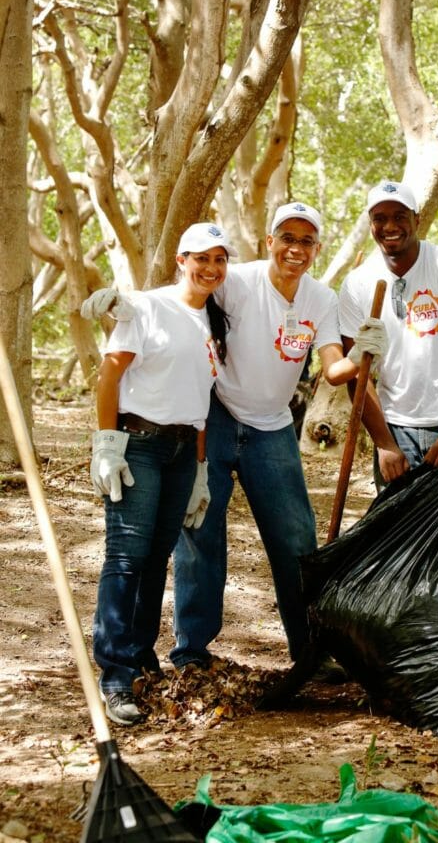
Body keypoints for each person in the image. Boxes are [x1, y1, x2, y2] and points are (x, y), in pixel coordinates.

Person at [85, 203, 387, 670]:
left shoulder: (320, 299)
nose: (296, 248)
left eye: (307, 241)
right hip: (217, 415)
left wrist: (362, 353)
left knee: (296, 539)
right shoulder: (236, 280)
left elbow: (333, 369)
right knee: (200, 532)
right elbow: (184, 296)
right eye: (287, 236)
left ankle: (308, 650)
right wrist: (130, 303)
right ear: (270, 241)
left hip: (274, 427)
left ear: (316, 250)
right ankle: (191, 651)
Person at [89, 222, 234, 726]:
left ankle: (140, 653)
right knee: (127, 556)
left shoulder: (211, 323)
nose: (210, 269)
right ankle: (114, 671)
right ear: (180, 260)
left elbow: (199, 404)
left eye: (219, 259)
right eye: (201, 258)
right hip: (141, 445)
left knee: (156, 560)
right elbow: (110, 376)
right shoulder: (147, 306)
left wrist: (199, 469)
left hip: (180, 453)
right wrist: (108, 444)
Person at [338, 180, 438, 487]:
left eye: (400, 216)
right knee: (396, 532)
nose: (389, 225)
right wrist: (384, 443)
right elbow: (357, 374)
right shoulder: (358, 284)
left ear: (417, 220)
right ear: (370, 224)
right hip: (395, 430)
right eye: (380, 218)